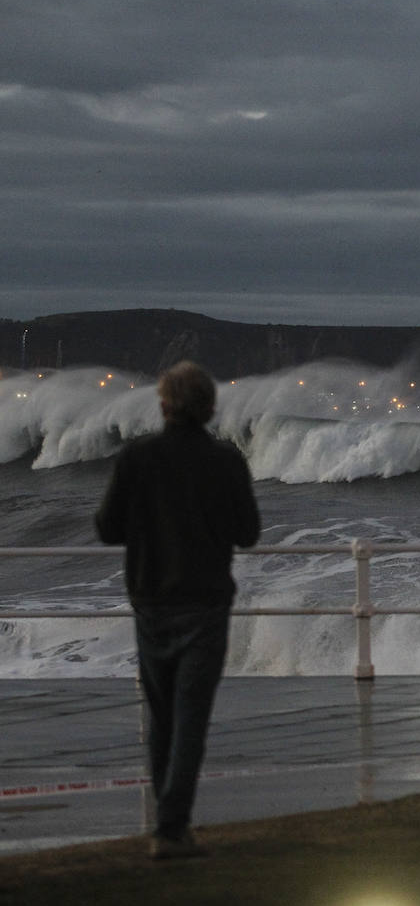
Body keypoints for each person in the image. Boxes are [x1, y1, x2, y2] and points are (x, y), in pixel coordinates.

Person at [95, 361, 260, 860]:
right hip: (205, 602)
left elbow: (108, 529)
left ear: (163, 405)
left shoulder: (137, 458)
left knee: (162, 716)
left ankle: (169, 824)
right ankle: (171, 828)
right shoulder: (226, 459)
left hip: (151, 602)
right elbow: (247, 533)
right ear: (210, 408)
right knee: (191, 717)